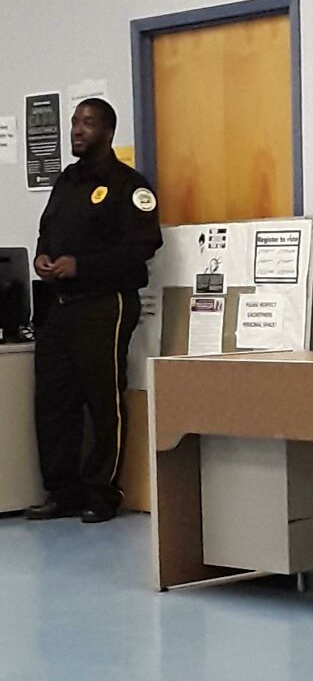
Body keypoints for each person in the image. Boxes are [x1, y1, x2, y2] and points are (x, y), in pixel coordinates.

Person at [26, 98, 162, 523]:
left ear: (108, 131)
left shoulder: (129, 186)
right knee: (53, 401)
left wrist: (82, 266)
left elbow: (143, 249)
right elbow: (47, 233)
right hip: (60, 307)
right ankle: (62, 490)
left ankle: (102, 493)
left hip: (106, 304)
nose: (77, 130)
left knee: (103, 401)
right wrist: (42, 259)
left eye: (87, 123)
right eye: (74, 123)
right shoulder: (65, 182)